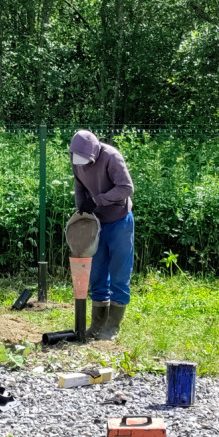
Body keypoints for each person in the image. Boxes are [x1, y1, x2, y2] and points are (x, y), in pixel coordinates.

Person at [68, 130, 134, 340]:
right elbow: (79, 186)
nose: (81, 163)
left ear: (94, 153)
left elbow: (126, 188)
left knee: (119, 273)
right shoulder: (75, 158)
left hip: (119, 220)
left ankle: (112, 327)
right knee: (96, 274)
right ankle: (97, 325)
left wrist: (97, 201)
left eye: (85, 160)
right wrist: (82, 211)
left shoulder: (111, 157)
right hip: (95, 223)